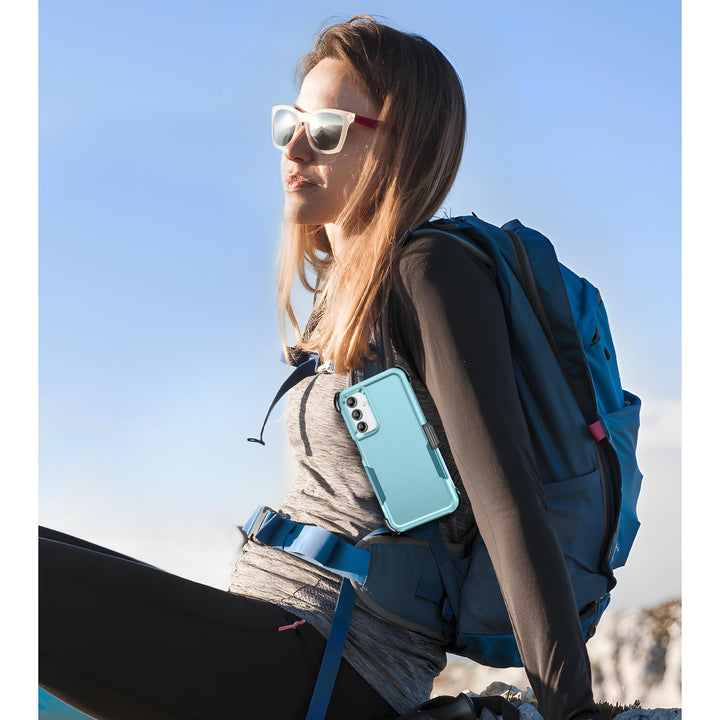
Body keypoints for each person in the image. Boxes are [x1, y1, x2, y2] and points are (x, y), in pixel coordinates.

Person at [39, 15, 606, 720]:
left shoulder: (430, 272)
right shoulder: (343, 295)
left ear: (401, 143)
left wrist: (572, 712)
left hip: (335, 660)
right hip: (283, 634)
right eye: (291, 124)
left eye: (328, 129)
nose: (295, 146)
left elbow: (507, 503)